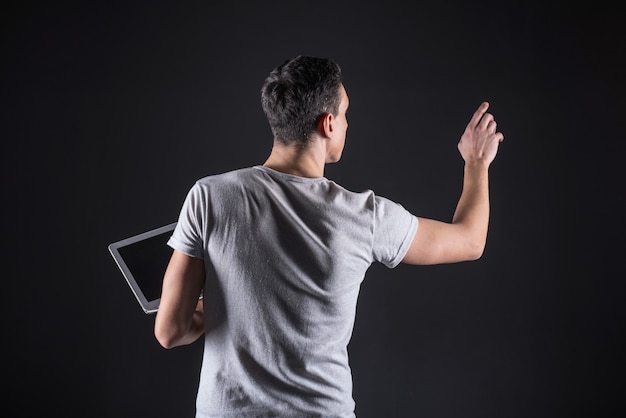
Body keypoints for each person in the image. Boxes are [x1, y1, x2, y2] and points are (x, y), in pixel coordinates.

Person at [154, 55, 504, 417]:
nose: (348, 124)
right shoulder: (364, 216)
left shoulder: (209, 196)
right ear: (329, 124)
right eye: (346, 114)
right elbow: (470, 241)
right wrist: (476, 163)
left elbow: (170, 331)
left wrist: (217, 306)